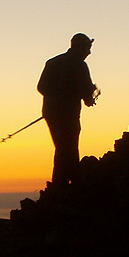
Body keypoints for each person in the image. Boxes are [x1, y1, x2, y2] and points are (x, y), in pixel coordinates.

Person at [37, 33, 97, 187]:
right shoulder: (79, 65)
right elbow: (86, 92)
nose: (89, 53)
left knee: (62, 147)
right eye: (87, 49)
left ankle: (62, 183)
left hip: (50, 113)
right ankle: (68, 183)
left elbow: (41, 87)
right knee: (68, 147)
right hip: (69, 114)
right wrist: (87, 98)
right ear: (80, 47)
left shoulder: (52, 62)